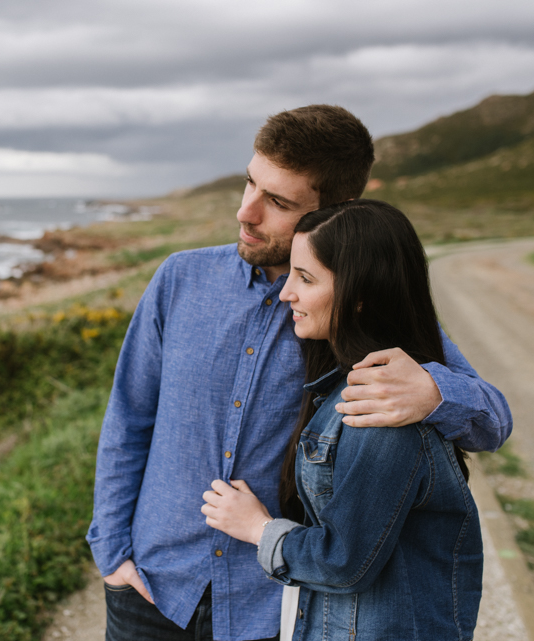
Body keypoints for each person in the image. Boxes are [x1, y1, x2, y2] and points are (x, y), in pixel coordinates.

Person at [86, 105, 510, 641]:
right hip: (150, 587)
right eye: (249, 183)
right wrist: (111, 554)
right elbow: (127, 420)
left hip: (270, 606)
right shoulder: (179, 279)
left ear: (335, 210)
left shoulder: (355, 310)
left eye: (278, 201)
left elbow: (493, 420)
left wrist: (432, 390)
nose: (246, 212)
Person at [202, 199, 483, 640]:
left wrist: (258, 529)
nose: (286, 292)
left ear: (359, 298)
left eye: (305, 278)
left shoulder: (383, 408)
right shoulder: (347, 384)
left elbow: (344, 561)